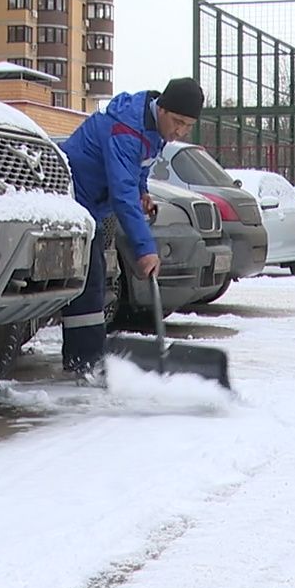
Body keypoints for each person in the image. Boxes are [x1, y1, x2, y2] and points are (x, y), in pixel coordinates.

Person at [57, 76, 204, 377]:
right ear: (161, 109)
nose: (180, 131)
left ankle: (87, 359)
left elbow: (137, 170)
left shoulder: (152, 128)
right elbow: (122, 194)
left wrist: (143, 192)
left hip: (94, 204)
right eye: (177, 121)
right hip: (75, 199)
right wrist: (145, 249)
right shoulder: (126, 129)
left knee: (92, 278)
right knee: (89, 280)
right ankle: (84, 363)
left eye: (187, 125)